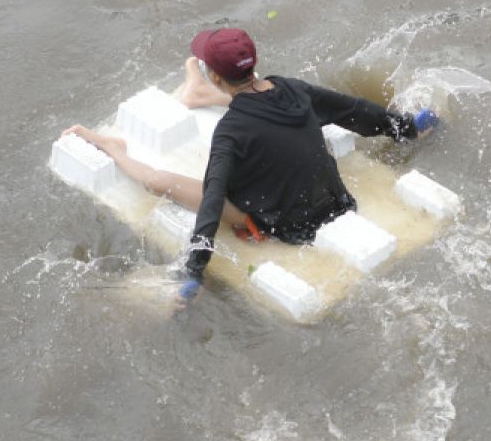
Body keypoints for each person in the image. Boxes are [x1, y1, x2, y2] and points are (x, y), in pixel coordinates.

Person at [62, 28, 436, 304]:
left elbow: (212, 199)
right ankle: (200, 94)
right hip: (339, 201)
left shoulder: (230, 134)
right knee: (273, 111)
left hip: (286, 226)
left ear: (217, 75)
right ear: (253, 64)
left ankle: (114, 149)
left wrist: (194, 267)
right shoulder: (291, 89)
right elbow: (351, 110)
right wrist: (404, 127)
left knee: (158, 181)